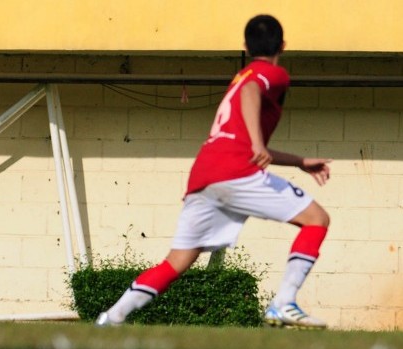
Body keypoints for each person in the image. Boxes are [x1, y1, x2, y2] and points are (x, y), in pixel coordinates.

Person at [96, 15, 331, 329]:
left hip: (205, 177)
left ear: (245, 47)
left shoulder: (240, 76)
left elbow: (245, 144)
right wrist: (259, 143)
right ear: (283, 46)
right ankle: (283, 303)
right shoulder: (270, 74)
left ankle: (111, 317)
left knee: (176, 262)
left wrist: (299, 161)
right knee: (317, 219)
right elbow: (251, 98)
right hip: (236, 174)